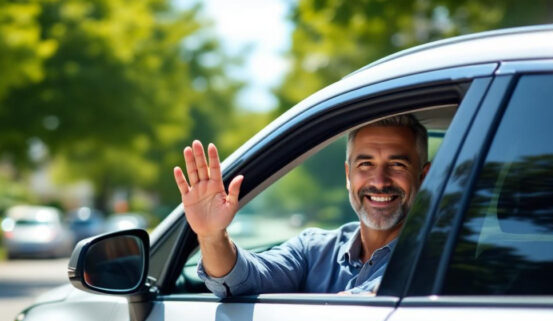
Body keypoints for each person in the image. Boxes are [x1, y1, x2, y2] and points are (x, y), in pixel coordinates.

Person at [173, 114, 430, 298]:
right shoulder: (313, 249)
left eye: (398, 165)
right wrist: (211, 235)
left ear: (425, 176)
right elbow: (246, 280)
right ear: (348, 176)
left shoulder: (437, 257)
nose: (379, 181)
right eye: (366, 165)